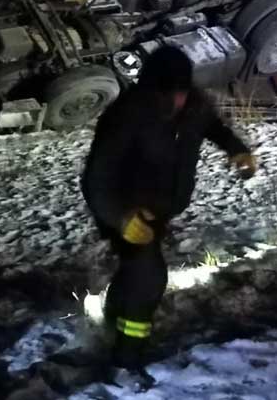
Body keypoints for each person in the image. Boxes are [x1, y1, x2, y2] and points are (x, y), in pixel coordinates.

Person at [81, 46, 256, 380]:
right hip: (125, 209)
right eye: (169, 93)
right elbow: (97, 178)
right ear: (152, 88)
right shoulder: (127, 114)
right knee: (150, 277)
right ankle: (125, 360)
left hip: (161, 208)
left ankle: (112, 319)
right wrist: (120, 219)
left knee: (135, 270)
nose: (177, 101)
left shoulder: (194, 107)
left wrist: (237, 149)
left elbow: (213, 127)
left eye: (181, 92)